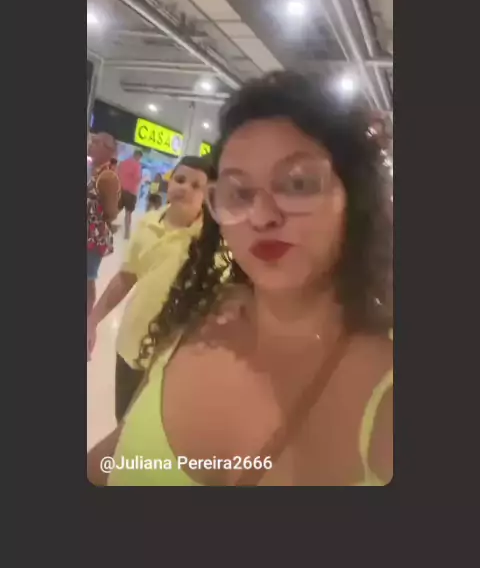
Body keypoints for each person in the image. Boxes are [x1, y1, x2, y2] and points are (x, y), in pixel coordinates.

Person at [88, 72, 393, 487]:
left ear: (354, 197)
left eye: (298, 184)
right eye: (239, 192)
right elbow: (115, 457)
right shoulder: (199, 318)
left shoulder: (385, 389)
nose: (261, 216)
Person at [87, 156, 212, 422]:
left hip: (172, 361)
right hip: (131, 346)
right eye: (180, 180)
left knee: (149, 429)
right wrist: (92, 320)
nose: (185, 188)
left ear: (207, 196)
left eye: (196, 185)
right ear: (170, 182)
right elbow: (125, 278)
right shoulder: (148, 223)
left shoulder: (210, 243)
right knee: (123, 420)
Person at [87, 133, 121, 318]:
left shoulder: (107, 177)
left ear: (109, 150)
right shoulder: (93, 169)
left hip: (93, 237)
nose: (91, 144)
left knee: (87, 278)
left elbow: (112, 212)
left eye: (96, 142)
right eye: (92, 141)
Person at [117, 150, 143, 239]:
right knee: (128, 213)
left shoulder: (123, 163)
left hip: (121, 189)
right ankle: (127, 234)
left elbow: (117, 173)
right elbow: (137, 179)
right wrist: (142, 178)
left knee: (116, 209)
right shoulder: (137, 165)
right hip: (131, 192)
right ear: (138, 156)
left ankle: (106, 225)